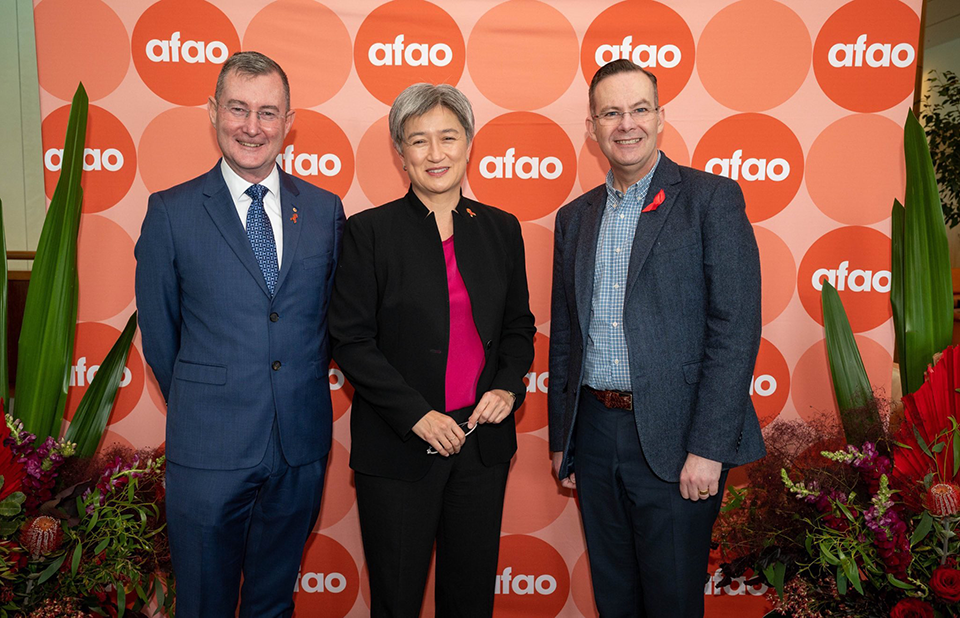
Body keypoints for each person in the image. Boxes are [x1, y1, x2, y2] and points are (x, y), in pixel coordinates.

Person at [548, 59, 765, 617]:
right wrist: (562, 439)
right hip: (594, 433)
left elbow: (735, 329)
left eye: (639, 109)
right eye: (611, 113)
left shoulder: (710, 199)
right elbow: (566, 335)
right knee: (614, 597)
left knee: (671, 601)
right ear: (592, 127)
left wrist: (708, 448)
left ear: (661, 117)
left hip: (679, 438)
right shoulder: (575, 217)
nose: (627, 124)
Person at [135, 51, 344, 618]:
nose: (252, 127)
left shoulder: (324, 211)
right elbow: (161, 338)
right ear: (213, 112)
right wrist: (205, 400)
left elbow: (329, 321)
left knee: (273, 604)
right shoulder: (171, 212)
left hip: (298, 447)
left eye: (268, 112)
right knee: (204, 604)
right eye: (238, 109)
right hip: (208, 448)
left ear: (288, 122)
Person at [329, 83, 536, 617]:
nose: (435, 153)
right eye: (418, 140)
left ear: (469, 143)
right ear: (400, 153)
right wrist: (416, 415)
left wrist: (507, 388)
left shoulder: (500, 229)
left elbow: (518, 327)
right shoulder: (368, 232)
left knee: (469, 601)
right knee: (396, 601)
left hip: (481, 445)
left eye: (448, 136)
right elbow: (351, 340)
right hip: (399, 448)